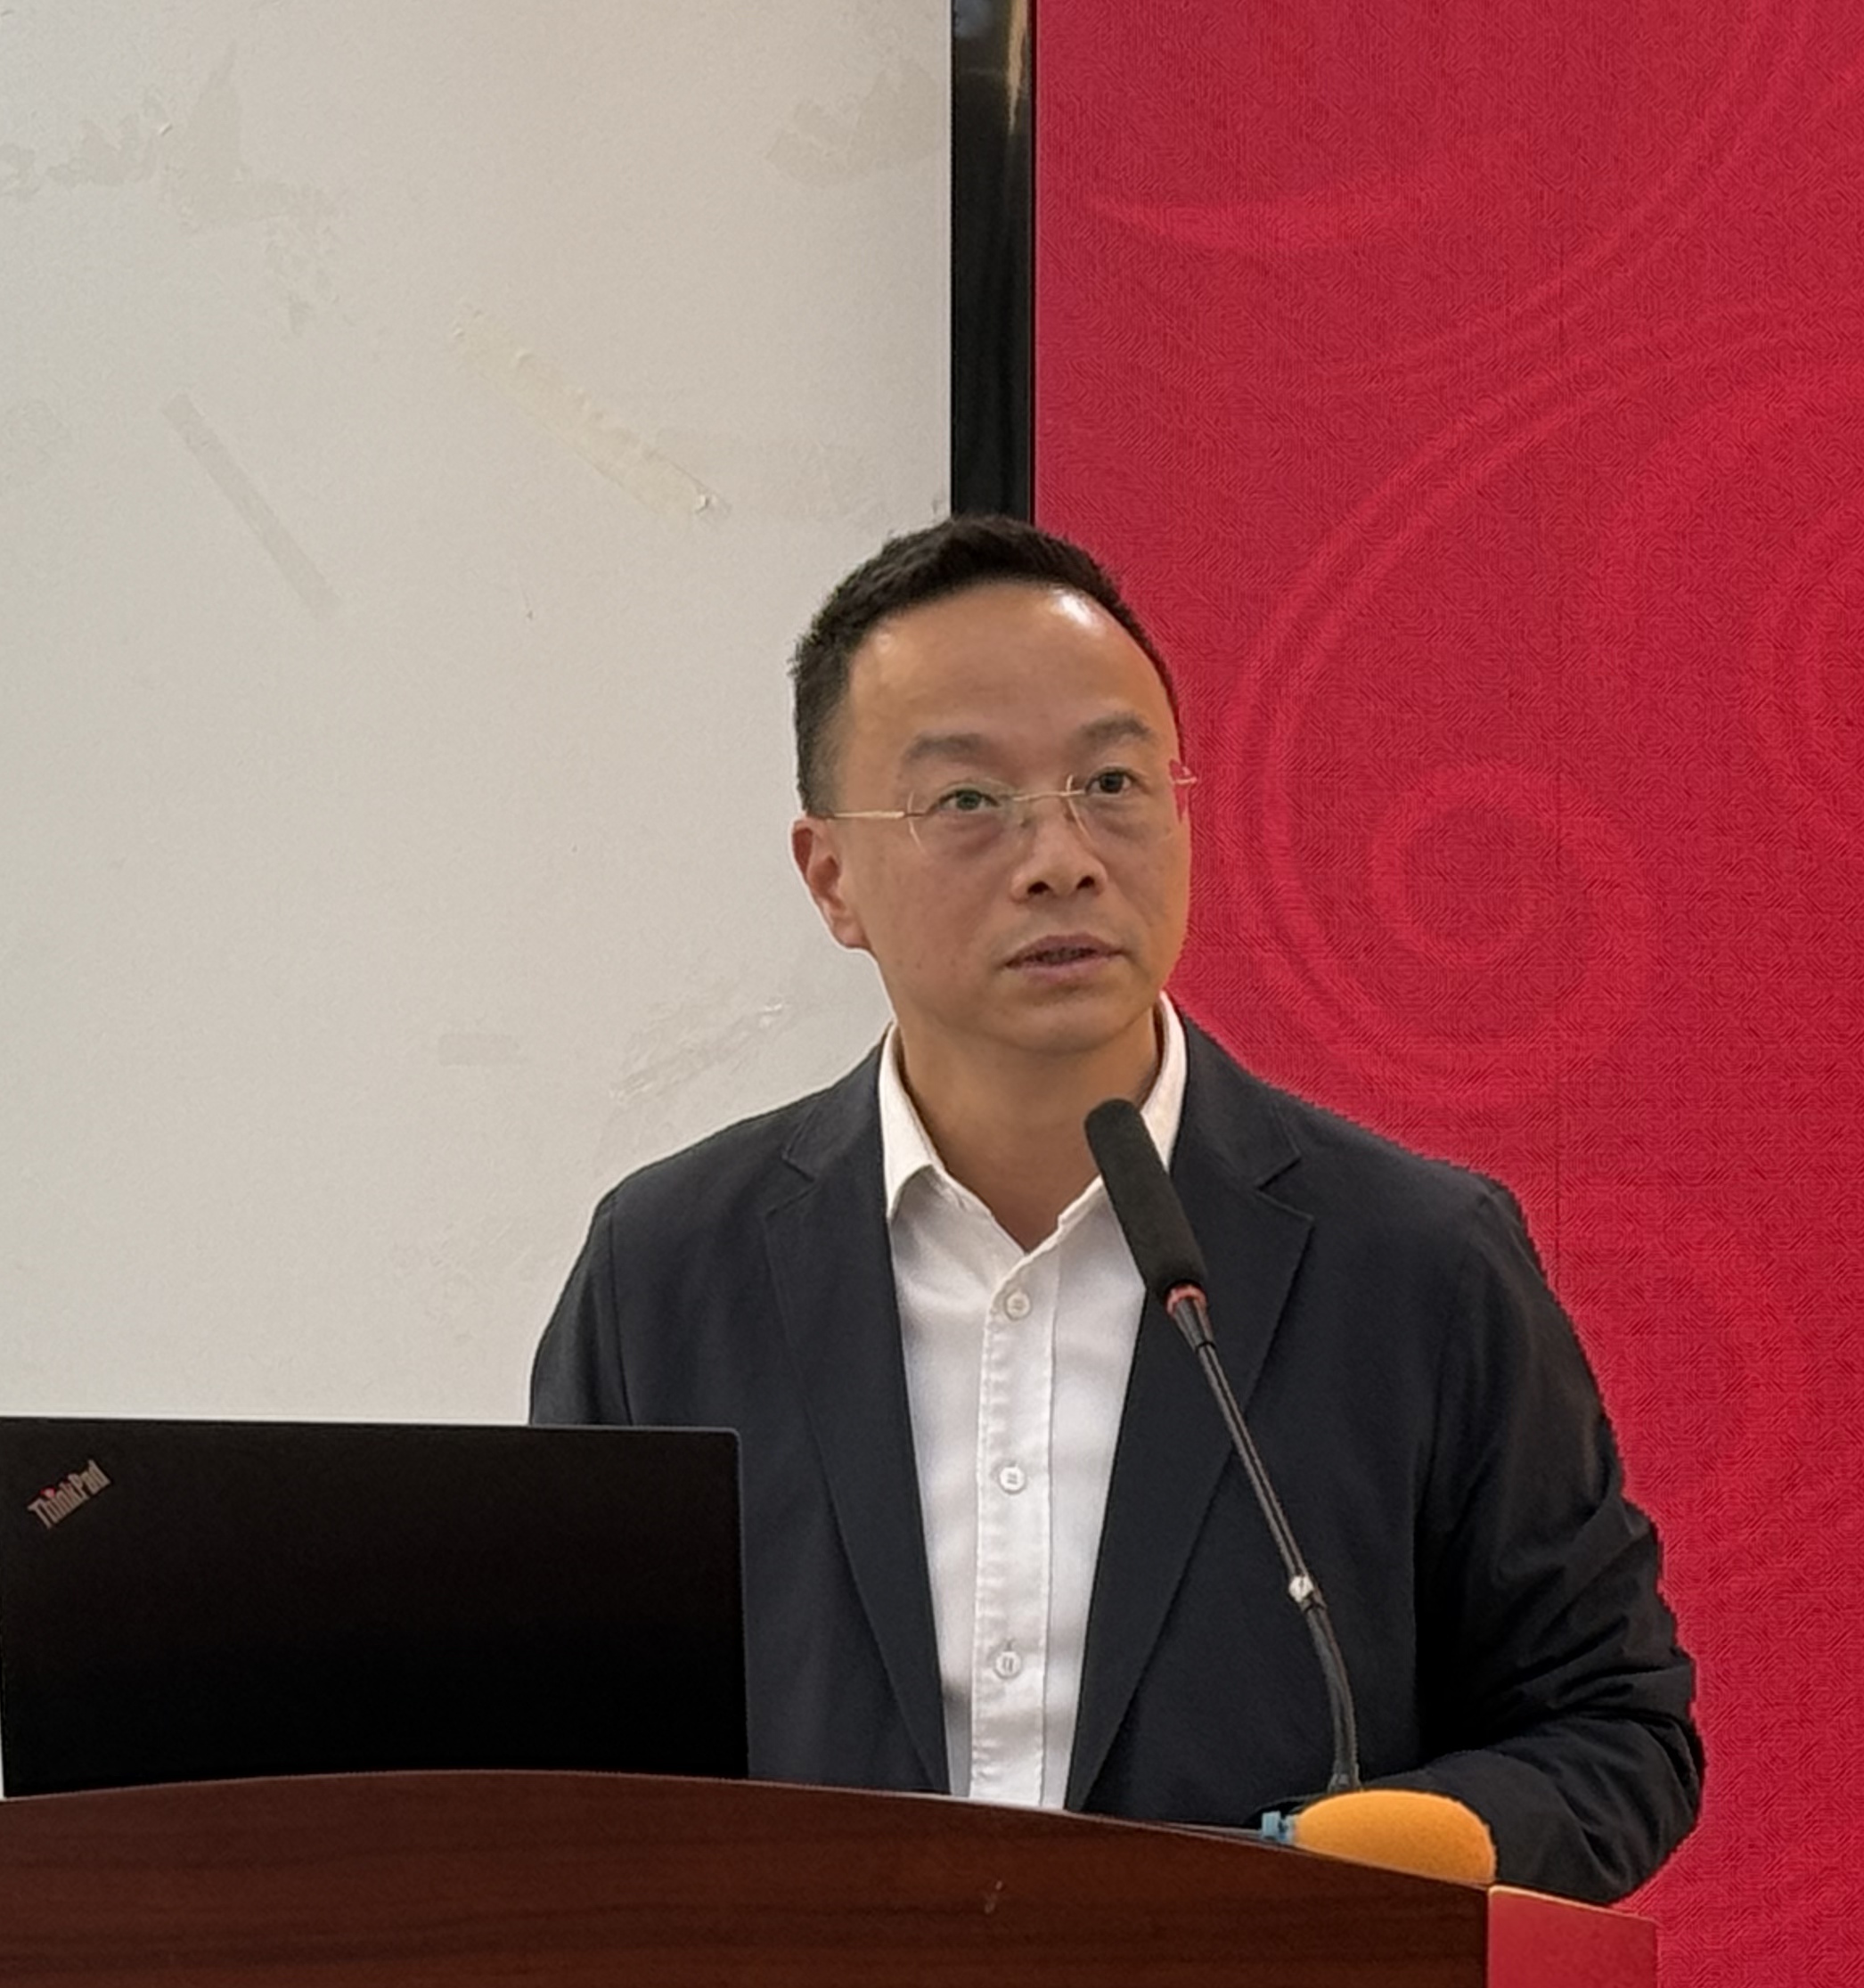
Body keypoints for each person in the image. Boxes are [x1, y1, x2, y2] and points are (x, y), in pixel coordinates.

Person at [527, 515, 1701, 1903]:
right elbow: (558, 1764)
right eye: (970, 801)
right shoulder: (671, 1274)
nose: (1061, 856)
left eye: (1112, 782)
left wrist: (1408, 1858)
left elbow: (1612, 1729)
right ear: (832, 875)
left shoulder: (1418, 1268)